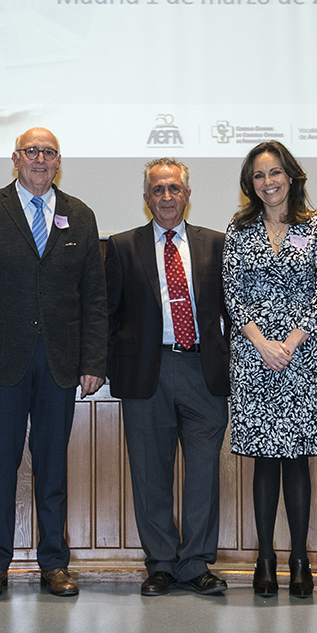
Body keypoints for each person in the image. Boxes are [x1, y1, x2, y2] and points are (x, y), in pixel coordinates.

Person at [0, 128, 105, 598]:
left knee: (53, 466)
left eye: (49, 152)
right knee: (1, 464)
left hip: (60, 364)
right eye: (32, 151)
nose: (40, 159)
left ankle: (54, 565)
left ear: (59, 161)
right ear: (15, 158)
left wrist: (93, 360)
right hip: (0, 365)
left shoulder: (79, 215)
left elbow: (94, 298)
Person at [105, 159, 231, 597]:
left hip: (203, 370)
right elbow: (109, 314)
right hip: (146, 373)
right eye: (157, 190)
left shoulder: (216, 244)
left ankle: (195, 564)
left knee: (202, 474)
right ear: (146, 199)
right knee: (149, 472)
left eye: (173, 188)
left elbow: (233, 313)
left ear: (187, 195)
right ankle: (160, 563)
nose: (166, 197)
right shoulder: (122, 246)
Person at [222, 141, 317, 599]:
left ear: (291, 175)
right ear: (251, 185)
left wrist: (289, 342)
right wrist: (262, 343)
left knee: (297, 460)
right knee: (265, 461)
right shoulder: (239, 231)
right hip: (253, 356)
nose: (267, 182)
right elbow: (232, 292)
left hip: (301, 357)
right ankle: (265, 559)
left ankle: (300, 559)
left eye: (274, 173)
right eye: (258, 176)